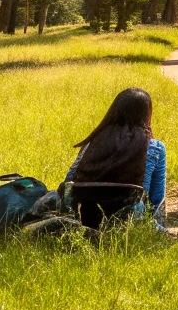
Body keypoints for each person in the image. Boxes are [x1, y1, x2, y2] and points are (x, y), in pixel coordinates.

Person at [65, 87, 167, 229]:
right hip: (131, 219)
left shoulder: (92, 142)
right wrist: (156, 228)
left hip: (89, 219)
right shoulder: (154, 147)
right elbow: (157, 198)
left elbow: (69, 181)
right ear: (147, 114)